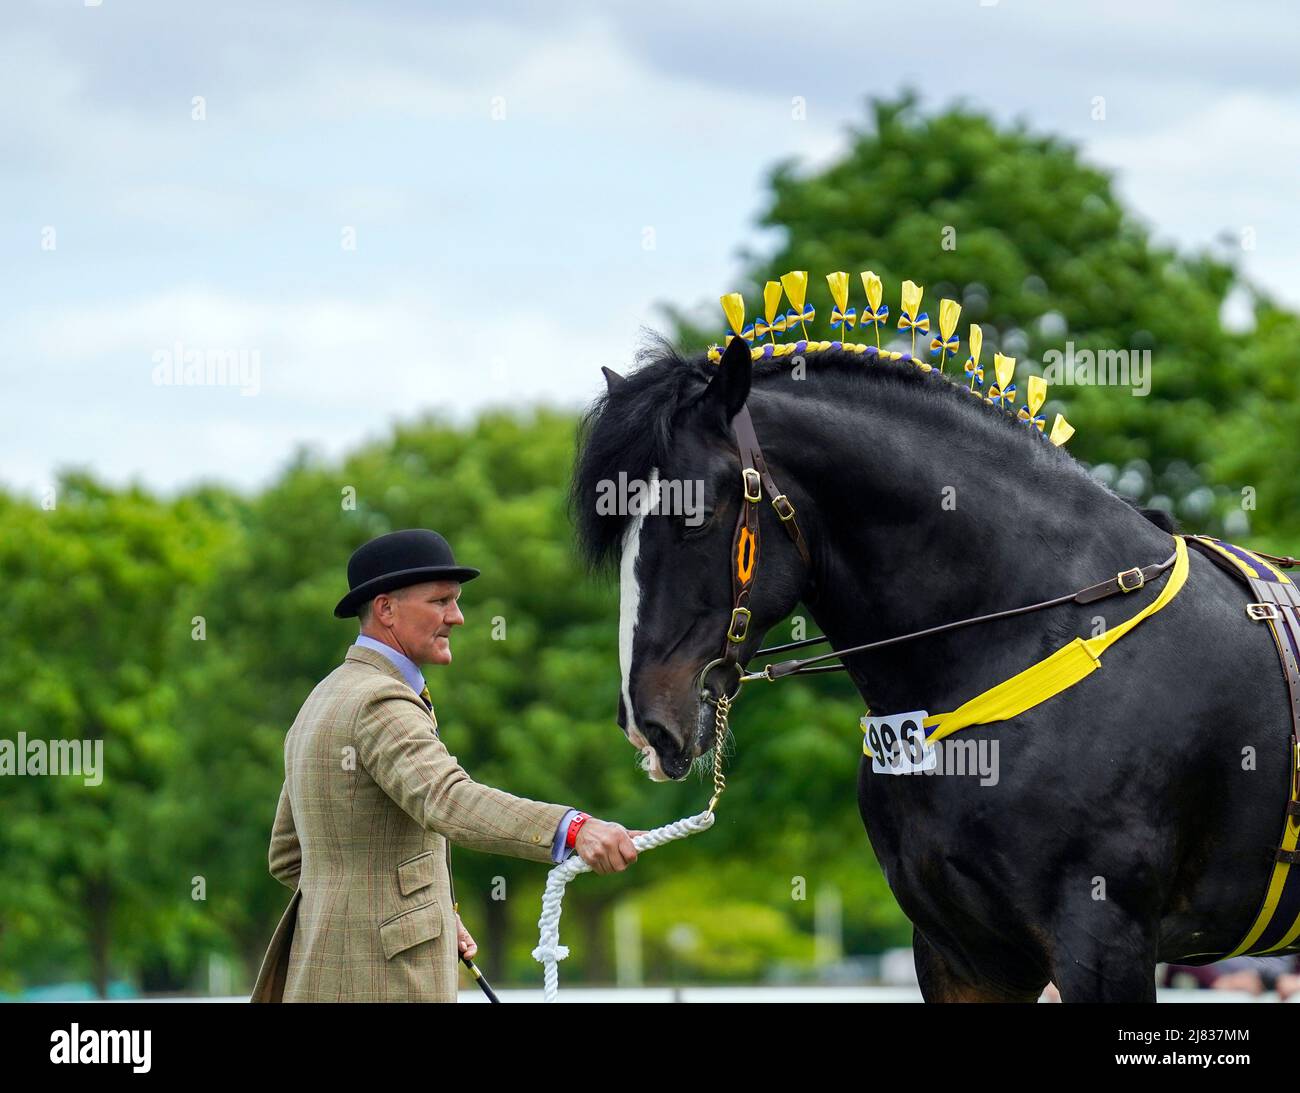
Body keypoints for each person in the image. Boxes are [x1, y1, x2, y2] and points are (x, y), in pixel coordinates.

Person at [251, 529, 642, 1002]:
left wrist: (426, 912)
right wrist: (573, 828)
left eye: (455, 601)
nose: (457, 617)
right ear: (386, 609)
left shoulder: (322, 699)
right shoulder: (380, 699)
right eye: (440, 601)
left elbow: (288, 855)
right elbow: (448, 799)